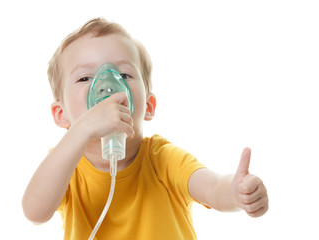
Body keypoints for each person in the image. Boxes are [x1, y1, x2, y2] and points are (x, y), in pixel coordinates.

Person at [22, 18, 269, 240]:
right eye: (85, 78)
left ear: (149, 106)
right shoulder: (66, 166)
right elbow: (35, 212)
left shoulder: (162, 160)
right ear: (61, 114)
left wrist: (237, 193)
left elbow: (213, 189)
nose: (106, 85)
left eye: (123, 74)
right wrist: (80, 131)